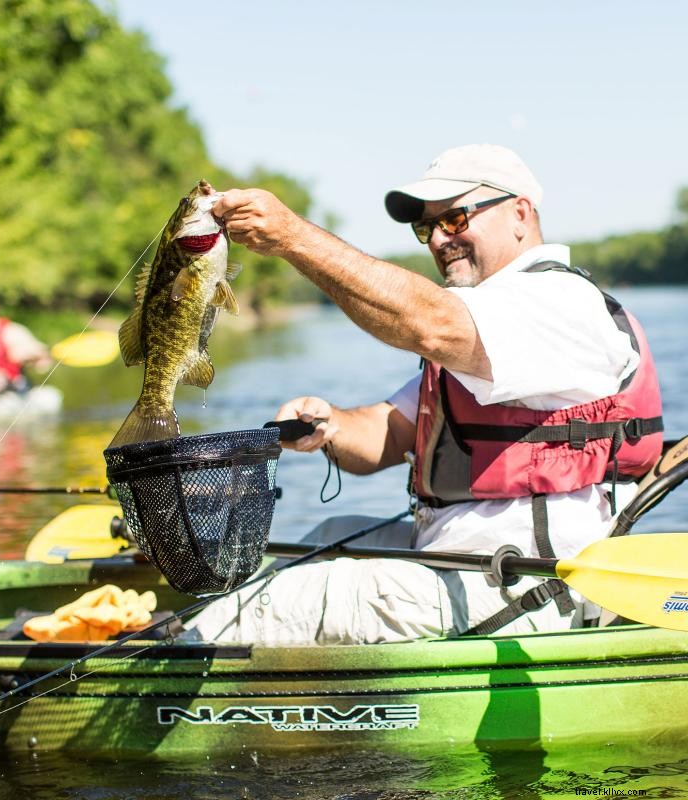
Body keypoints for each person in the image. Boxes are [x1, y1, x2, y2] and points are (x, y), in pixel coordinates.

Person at [180, 143, 663, 646]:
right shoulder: (494, 322)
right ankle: (225, 656)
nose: (437, 239)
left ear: (520, 213)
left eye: (454, 219)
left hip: (530, 587)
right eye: (425, 227)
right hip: (464, 562)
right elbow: (389, 434)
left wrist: (292, 237)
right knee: (329, 535)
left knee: (281, 603)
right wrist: (331, 425)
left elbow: (429, 324)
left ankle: (173, 666)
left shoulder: (557, 303)